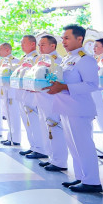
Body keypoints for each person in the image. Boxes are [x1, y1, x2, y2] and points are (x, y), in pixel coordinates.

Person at [43, 24, 102, 193]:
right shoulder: (68, 58)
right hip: (66, 107)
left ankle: (92, 182)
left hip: (79, 109)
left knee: (84, 146)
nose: (63, 41)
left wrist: (63, 87)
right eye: (63, 38)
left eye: (67, 38)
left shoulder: (86, 59)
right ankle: (81, 177)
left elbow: (92, 85)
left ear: (79, 39)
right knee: (74, 146)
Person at [35, 35, 69, 172]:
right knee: (46, 130)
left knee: (55, 130)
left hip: (52, 100)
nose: (40, 47)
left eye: (43, 44)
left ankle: (60, 161)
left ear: (52, 46)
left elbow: (57, 81)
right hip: (42, 99)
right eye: (39, 45)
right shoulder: (42, 60)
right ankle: (52, 157)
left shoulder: (57, 61)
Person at [14, 36, 47, 159]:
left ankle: (41, 148)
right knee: (27, 122)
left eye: (24, 43)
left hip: (32, 94)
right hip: (22, 93)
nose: (21, 45)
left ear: (33, 44)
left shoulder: (37, 58)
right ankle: (33, 146)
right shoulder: (24, 58)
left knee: (35, 122)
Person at [0, 43, 21, 145]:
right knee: (8, 115)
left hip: (12, 92)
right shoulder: (3, 61)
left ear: (8, 50)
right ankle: (10, 137)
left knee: (14, 115)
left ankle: (15, 139)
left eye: (1, 49)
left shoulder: (16, 62)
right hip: (5, 91)